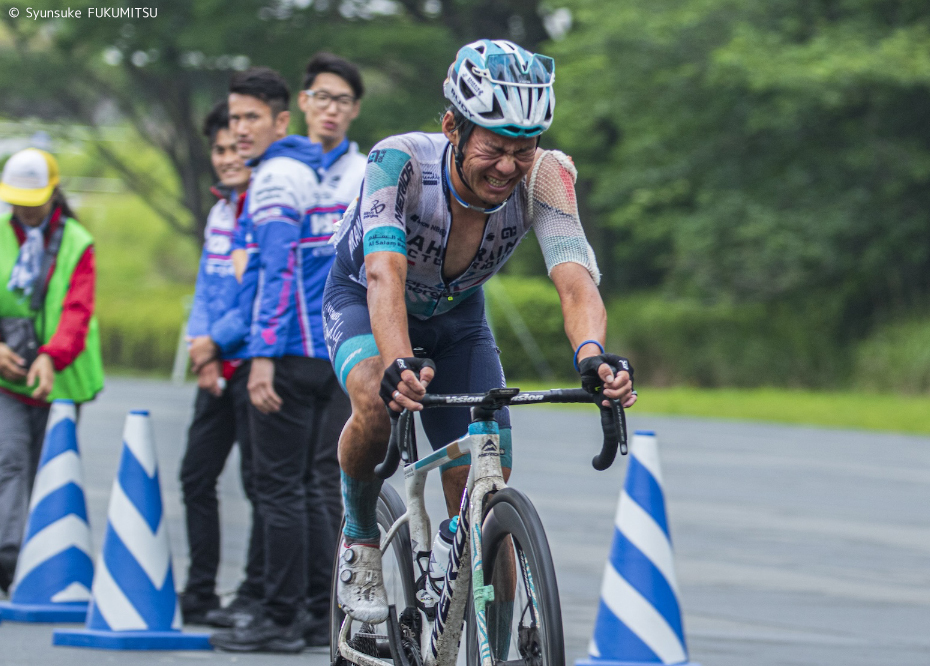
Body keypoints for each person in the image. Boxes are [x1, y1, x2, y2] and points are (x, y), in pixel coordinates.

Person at [324, 39, 636, 623]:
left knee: (487, 475)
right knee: (373, 396)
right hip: (365, 299)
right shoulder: (398, 164)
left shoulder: (548, 177)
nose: (508, 167)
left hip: (457, 316)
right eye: (494, 147)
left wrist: (593, 356)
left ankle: (468, 574)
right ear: (452, 127)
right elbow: (382, 272)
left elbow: (574, 279)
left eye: (524, 149)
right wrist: (398, 362)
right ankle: (360, 536)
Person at [209, 66, 341, 653]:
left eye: (251, 118)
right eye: (234, 118)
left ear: (281, 121)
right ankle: (316, 612)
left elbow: (279, 271)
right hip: (323, 352)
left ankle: (281, 618)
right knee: (307, 489)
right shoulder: (304, 169)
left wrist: (260, 354)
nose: (239, 131)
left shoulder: (274, 180)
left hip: (289, 351)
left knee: (279, 489)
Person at [0, 148, 103, 595]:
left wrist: (51, 355)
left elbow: (77, 310)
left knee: (49, 468)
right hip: (6, 375)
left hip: (60, 378)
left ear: (53, 193)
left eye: (33, 198)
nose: (24, 207)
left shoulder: (78, 242)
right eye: (17, 198)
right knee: (9, 461)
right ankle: (7, 559)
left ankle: (41, 565)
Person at [177, 102, 263, 625]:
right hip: (217, 365)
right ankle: (200, 591)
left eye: (236, 148)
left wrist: (215, 344)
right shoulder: (220, 210)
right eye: (219, 149)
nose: (228, 157)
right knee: (194, 476)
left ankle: (256, 595)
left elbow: (257, 297)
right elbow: (208, 289)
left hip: (256, 364)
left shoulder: (265, 205)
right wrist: (199, 347)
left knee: (261, 485)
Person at [296, 51, 367, 568]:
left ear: (354, 111)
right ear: (303, 102)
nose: (331, 110)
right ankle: (288, 595)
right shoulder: (279, 170)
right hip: (289, 342)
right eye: (322, 98)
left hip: (343, 337)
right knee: (279, 478)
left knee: (326, 470)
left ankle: (328, 592)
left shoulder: (367, 173)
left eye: (342, 101)